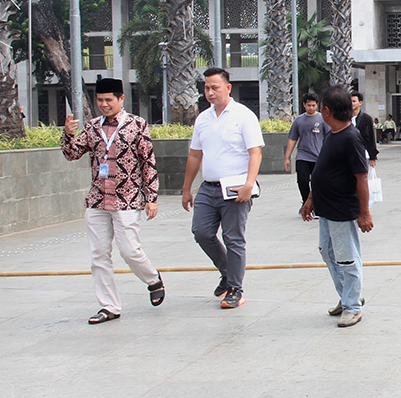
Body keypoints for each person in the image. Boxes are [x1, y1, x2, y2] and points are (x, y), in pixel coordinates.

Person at [60, 78, 163, 324]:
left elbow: (148, 162)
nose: (104, 105)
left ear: (121, 99)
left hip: (127, 198)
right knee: (99, 255)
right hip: (97, 200)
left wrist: (151, 198)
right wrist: (67, 134)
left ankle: (152, 279)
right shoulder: (92, 127)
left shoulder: (137, 124)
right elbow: (72, 154)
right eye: (99, 100)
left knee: (129, 250)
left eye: (108, 100)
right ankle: (109, 306)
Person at [181, 67, 264, 309]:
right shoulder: (203, 119)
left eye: (215, 87)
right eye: (206, 88)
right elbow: (195, 155)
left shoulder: (243, 115)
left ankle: (235, 289)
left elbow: (255, 152)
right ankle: (227, 272)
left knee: (233, 238)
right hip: (208, 187)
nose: (210, 92)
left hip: (236, 187)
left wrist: (249, 183)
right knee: (201, 232)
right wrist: (187, 188)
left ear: (228, 88)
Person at [302, 85, 374, 327]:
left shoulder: (351, 138)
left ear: (326, 110)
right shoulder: (332, 134)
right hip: (325, 208)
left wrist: (364, 213)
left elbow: (361, 177)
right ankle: (347, 296)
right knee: (328, 252)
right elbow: (323, 170)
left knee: (346, 258)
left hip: (342, 209)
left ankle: (353, 306)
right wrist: (311, 198)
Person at [285, 92, 328, 208]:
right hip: (303, 156)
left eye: (314, 105)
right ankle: (306, 203)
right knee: (302, 181)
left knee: (317, 183)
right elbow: (292, 139)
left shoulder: (323, 119)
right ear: (304, 105)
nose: (311, 108)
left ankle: (317, 204)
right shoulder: (299, 120)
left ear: (317, 105)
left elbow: (330, 137)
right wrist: (287, 158)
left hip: (318, 157)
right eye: (309, 105)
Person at [351, 91, 379, 166]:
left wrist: (372, 157)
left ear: (360, 102)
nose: (352, 103)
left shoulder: (366, 118)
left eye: (354, 101)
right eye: (350, 101)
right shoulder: (345, 118)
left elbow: (371, 138)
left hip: (363, 153)